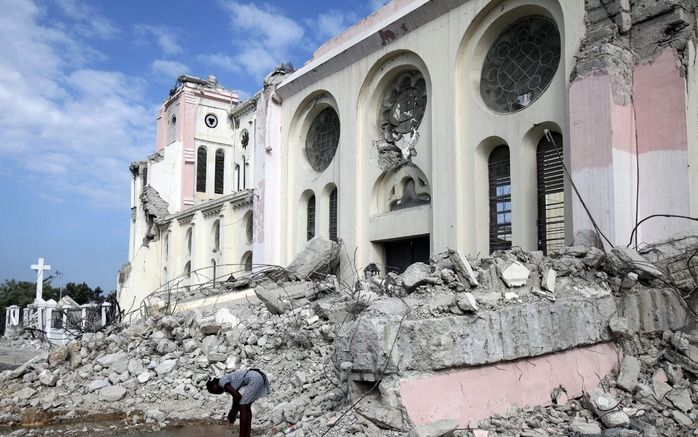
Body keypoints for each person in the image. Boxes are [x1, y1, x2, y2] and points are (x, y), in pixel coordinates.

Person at [206, 368, 271, 437]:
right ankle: (247, 434)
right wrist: (233, 412)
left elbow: (237, 396)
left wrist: (232, 413)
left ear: (214, 386)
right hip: (257, 376)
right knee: (246, 406)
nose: (217, 393)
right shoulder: (224, 380)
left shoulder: (222, 382)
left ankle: (242, 435)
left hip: (254, 378)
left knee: (243, 406)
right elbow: (237, 397)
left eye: (214, 391)